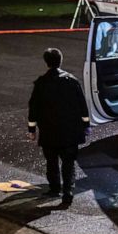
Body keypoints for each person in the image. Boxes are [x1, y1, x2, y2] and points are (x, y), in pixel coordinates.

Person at [27, 48, 90, 206]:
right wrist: (86, 124)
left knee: (52, 162)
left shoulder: (41, 83)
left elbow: (33, 108)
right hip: (70, 131)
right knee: (68, 164)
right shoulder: (72, 80)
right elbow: (82, 105)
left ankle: (54, 189)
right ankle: (68, 192)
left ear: (46, 62)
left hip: (49, 131)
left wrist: (32, 129)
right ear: (60, 60)